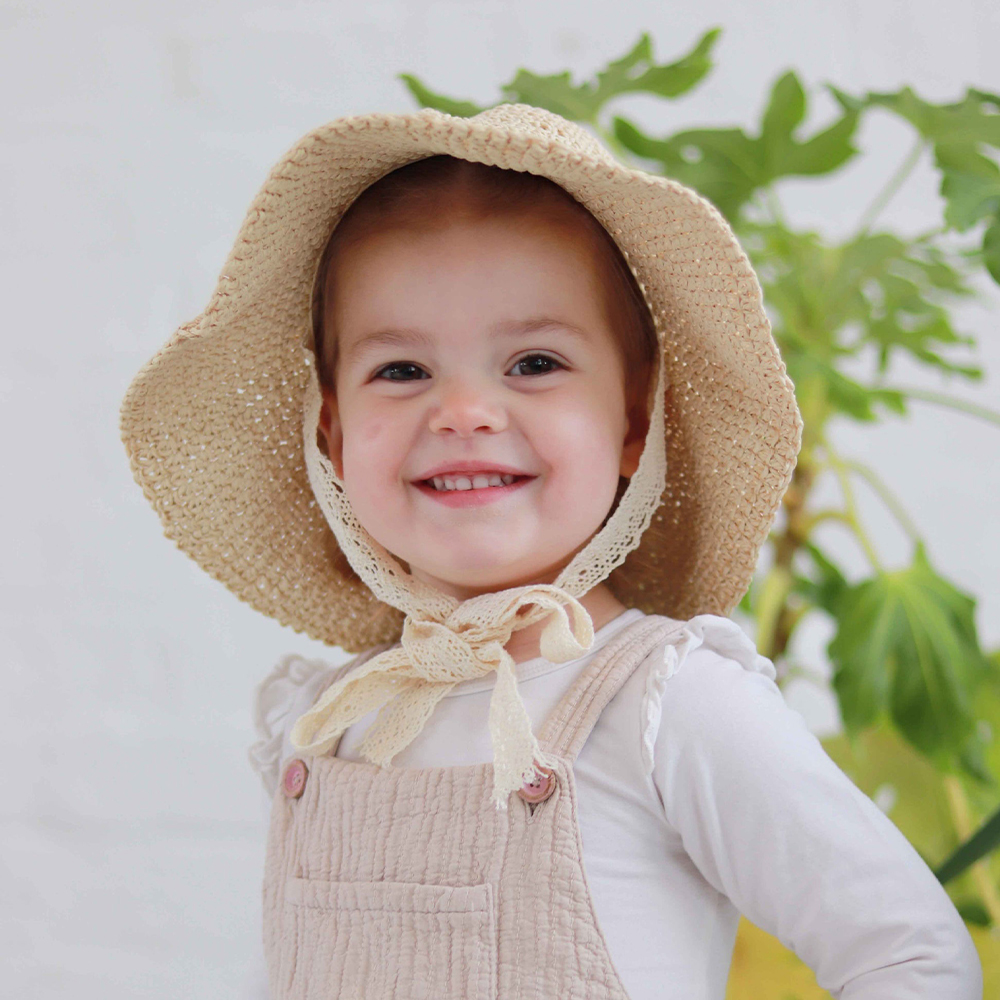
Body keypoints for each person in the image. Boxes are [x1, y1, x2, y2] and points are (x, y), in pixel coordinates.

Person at [120, 104, 982, 999]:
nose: (463, 411)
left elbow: (910, 955)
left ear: (633, 424)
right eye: (401, 370)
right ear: (332, 437)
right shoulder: (329, 722)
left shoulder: (665, 704)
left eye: (534, 362)